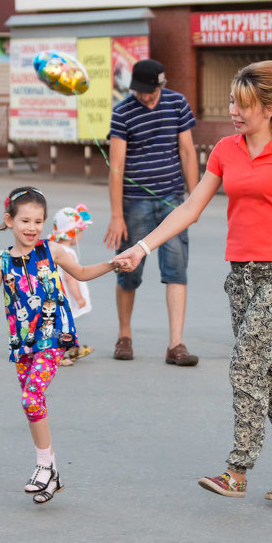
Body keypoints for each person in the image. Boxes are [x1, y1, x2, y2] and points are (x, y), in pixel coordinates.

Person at [114, 61, 272, 500]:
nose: (233, 109)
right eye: (233, 101)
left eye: (243, 103)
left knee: (244, 366)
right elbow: (190, 207)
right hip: (241, 276)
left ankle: (238, 470)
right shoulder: (225, 150)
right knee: (265, 370)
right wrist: (142, 247)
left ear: (270, 108)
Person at [0, 186, 130, 504]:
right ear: (9, 220)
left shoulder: (53, 251)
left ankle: (42, 467)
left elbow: (83, 273)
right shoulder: (2, 261)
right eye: (25, 220)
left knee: (32, 396)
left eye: (38, 221)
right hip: (23, 344)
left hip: (53, 337)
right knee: (33, 405)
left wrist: (113, 264)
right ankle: (53, 473)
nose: (32, 227)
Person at [104, 58, 200, 366]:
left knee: (176, 269)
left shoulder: (176, 103)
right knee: (128, 271)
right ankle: (125, 335)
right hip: (135, 203)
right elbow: (116, 167)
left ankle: (176, 344)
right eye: (139, 91)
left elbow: (187, 151)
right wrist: (117, 215)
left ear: (161, 84)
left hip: (173, 200)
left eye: (149, 91)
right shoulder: (122, 112)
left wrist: (194, 199)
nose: (144, 96)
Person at [50, 203, 94, 365]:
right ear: (73, 233)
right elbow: (70, 277)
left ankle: (69, 348)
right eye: (80, 232)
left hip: (53, 294)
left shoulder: (52, 248)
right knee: (64, 325)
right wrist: (78, 297)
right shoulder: (67, 253)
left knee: (57, 324)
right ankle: (58, 354)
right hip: (65, 297)